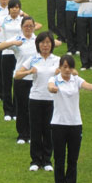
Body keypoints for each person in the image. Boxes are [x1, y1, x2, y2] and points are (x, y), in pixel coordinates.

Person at [48, 54, 92, 183]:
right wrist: (53, 88)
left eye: (70, 67)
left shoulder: (76, 80)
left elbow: (86, 85)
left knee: (73, 159)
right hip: (59, 124)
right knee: (59, 159)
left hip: (75, 124)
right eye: (64, 67)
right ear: (60, 67)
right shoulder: (54, 79)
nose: (67, 70)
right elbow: (50, 87)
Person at [16, 31, 60, 172]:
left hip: (51, 99)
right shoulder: (33, 59)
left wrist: (61, 72)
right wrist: (29, 72)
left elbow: (72, 72)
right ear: (38, 44)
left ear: (52, 44)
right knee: (35, 130)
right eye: (42, 43)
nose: (45, 45)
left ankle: (47, 160)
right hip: (35, 98)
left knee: (48, 130)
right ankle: (35, 160)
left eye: (48, 43)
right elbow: (17, 75)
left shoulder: (57, 60)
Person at [0, 16, 42, 143]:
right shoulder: (18, 39)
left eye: (30, 26)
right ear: (21, 27)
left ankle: (32, 134)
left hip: (36, 79)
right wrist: (12, 43)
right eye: (26, 26)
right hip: (21, 77)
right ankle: (22, 134)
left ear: (34, 27)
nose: (28, 28)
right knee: (21, 107)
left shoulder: (38, 40)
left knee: (33, 108)